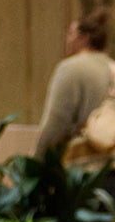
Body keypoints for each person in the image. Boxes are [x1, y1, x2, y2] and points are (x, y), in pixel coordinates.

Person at [37, 11, 115, 155]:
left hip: (83, 164)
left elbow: (56, 122)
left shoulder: (72, 68)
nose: (67, 39)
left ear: (84, 38)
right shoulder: (112, 67)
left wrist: (37, 160)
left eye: (71, 34)